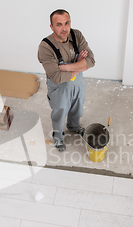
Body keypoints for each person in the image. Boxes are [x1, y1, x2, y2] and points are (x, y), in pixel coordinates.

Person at [38, 9, 95, 151]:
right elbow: (57, 78)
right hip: (59, 89)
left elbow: (91, 61)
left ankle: (74, 127)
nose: (64, 29)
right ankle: (58, 138)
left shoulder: (76, 35)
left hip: (78, 85)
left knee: (77, 109)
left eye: (67, 23)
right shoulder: (45, 47)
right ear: (51, 27)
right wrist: (80, 65)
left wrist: (65, 67)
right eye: (59, 25)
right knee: (59, 113)